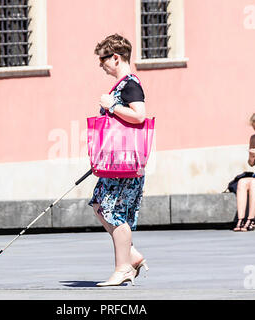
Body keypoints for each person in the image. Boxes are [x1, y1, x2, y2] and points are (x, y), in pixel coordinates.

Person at [88, 34, 149, 286]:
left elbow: (140, 116)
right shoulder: (120, 86)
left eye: (102, 59)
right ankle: (131, 256)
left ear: (115, 57)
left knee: (114, 211)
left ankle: (123, 267)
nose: (100, 65)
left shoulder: (131, 84)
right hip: (114, 161)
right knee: (99, 205)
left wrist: (111, 106)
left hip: (125, 164)